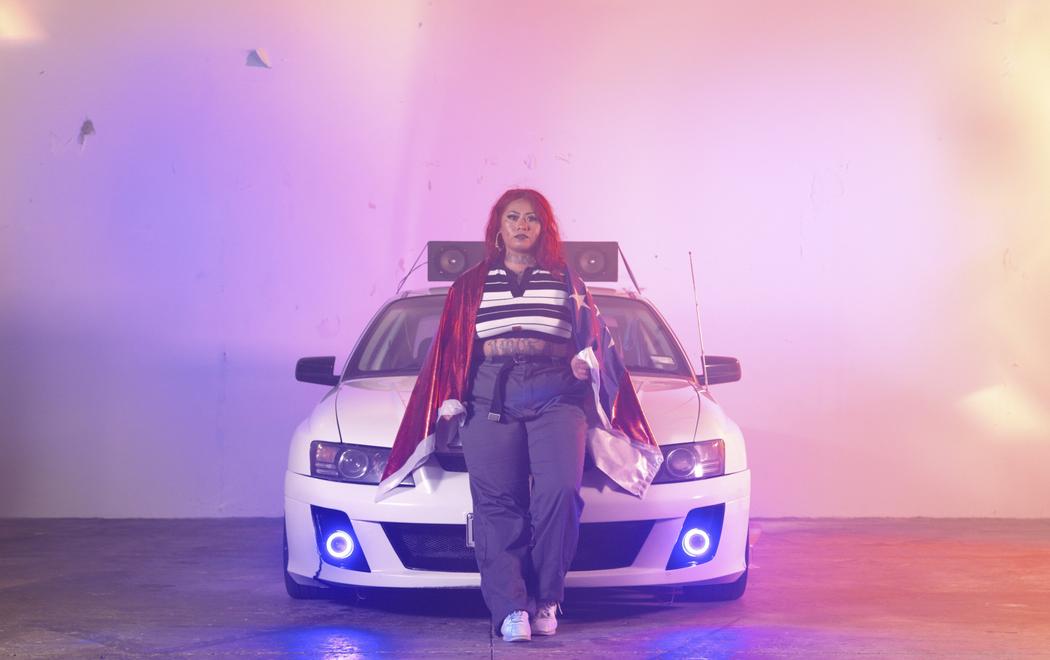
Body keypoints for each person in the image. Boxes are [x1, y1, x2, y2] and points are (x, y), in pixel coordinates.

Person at [377, 188, 663, 642]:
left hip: (557, 395)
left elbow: (596, 342)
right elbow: (450, 351)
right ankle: (511, 609)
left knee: (559, 492)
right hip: (490, 396)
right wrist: (451, 395)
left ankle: (548, 598)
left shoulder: (566, 279)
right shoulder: (470, 285)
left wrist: (582, 362)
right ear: (499, 226)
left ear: (543, 227)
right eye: (513, 217)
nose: (522, 226)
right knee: (497, 506)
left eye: (532, 218)